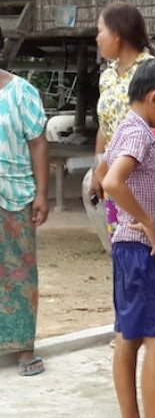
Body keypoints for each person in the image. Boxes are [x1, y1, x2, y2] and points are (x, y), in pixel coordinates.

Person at [95, 59, 155, 418]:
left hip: (127, 246)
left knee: (129, 337)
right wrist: (148, 222)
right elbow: (112, 181)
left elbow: (103, 171)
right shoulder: (139, 133)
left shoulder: (125, 127)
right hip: (140, 247)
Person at [92, 3, 155, 324]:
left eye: (100, 31)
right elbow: (106, 123)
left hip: (147, 170)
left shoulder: (151, 70)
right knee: (126, 248)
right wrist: (99, 166)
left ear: (117, 34)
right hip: (116, 171)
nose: (97, 39)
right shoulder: (106, 76)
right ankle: (130, 322)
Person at [0, 65, 49, 377]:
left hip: (16, 194)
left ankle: (24, 347)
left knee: (20, 269)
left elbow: (38, 142)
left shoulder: (21, 93)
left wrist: (42, 193)